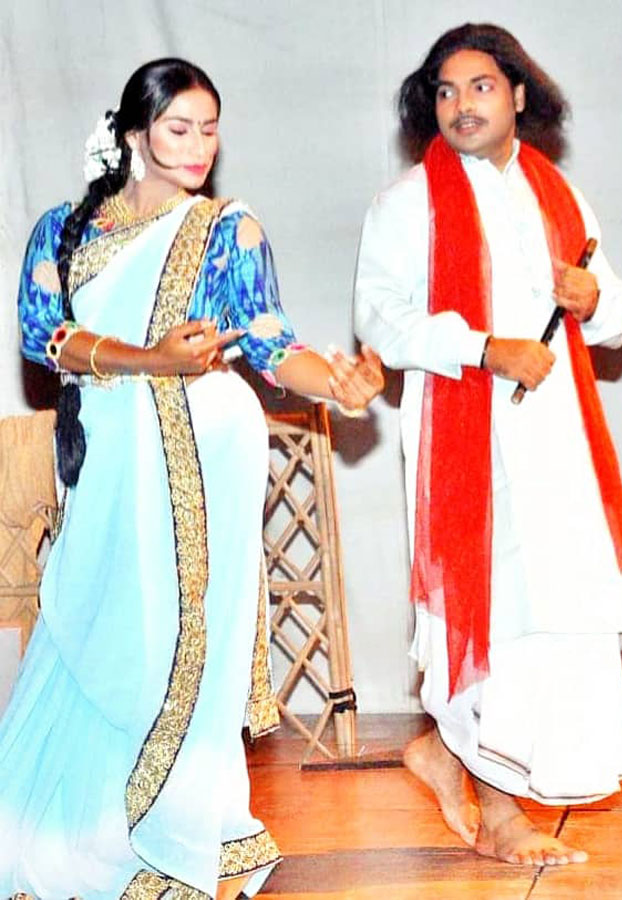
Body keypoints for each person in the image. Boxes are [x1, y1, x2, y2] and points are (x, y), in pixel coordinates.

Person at [1, 58, 383, 899]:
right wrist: (150, 360)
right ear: (135, 134)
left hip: (204, 457)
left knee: (180, 642)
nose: (199, 145)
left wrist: (336, 383)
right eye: (180, 129)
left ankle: (176, 832)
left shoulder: (225, 229)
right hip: (110, 458)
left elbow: (270, 341)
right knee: (98, 629)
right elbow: (43, 337)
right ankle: (80, 830)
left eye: (210, 129)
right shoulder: (65, 229)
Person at [354, 23, 622, 866]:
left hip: (558, 442)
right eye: (446, 92)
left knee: (556, 617)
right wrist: (485, 348)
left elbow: (612, 311)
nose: (461, 105)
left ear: (519, 95)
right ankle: (499, 812)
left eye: (480, 87)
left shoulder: (560, 194)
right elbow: (380, 319)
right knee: (489, 618)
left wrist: (594, 298)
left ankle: (446, 754)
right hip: (465, 441)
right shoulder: (407, 203)